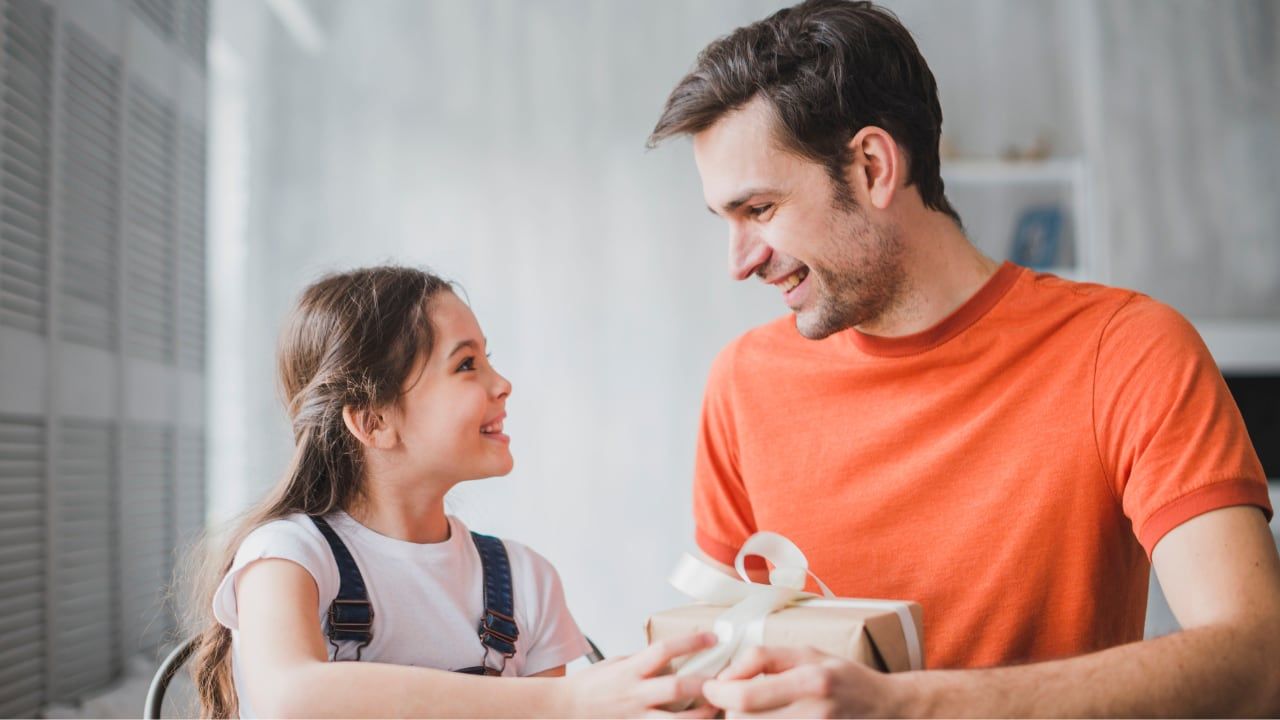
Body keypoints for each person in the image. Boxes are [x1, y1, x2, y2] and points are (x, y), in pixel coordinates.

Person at [647, 0, 1280, 715]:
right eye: (724, 220)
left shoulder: (1127, 351)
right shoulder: (742, 383)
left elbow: (1257, 661)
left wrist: (906, 705)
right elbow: (730, 649)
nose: (738, 264)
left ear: (872, 166)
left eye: (758, 211)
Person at [187, 266, 714, 718]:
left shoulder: (527, 580)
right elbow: (292, 697)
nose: (502, 383)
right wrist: (565, 703)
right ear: (374, 422)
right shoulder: (288, 556)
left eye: (487, 358)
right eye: (466, 364)